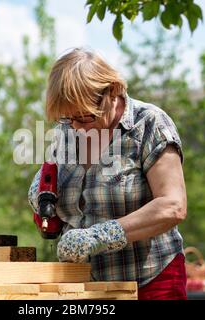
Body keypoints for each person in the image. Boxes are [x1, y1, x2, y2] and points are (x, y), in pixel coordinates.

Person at [28, 48, 188, 300]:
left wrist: (100, 236)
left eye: (84, 116)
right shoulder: (68, 132)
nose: (77, 126)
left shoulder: (149, 124)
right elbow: (56, 203)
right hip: (84, 288)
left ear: (112, 91)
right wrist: (43, 197)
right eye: (68, 118)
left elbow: (172, 206)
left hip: (149, 282)